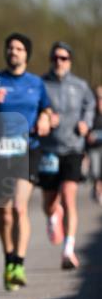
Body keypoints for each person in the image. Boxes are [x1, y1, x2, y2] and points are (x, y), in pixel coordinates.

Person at [0, 34, 53, 290]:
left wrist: (46, 118)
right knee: (5, 214)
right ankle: (8, 258)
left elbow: (47, 109)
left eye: (19, 48)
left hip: (27, 150)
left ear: (26, 54)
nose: (14, 52)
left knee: (20, 209)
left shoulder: (36, 83)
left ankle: (18, 263)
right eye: (10, 48)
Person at [39, 42, 96, 269]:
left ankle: (68, 250)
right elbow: (34, 108)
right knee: (49, 203)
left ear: (69, 60)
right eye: (55, 58)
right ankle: (54, 216)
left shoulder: (80, 86)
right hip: (49, 149)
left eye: (63, 58)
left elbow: (90, 106)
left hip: (73, 148)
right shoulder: (41, 84)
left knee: (68, 196)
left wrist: (86, 123)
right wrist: (44, 117)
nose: (59, 62)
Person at [86, 85, 102, 205]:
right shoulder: (90, 114)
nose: (99, 100)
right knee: (95, 171)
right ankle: (97, 189)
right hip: (93, 148)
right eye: (97, 97)